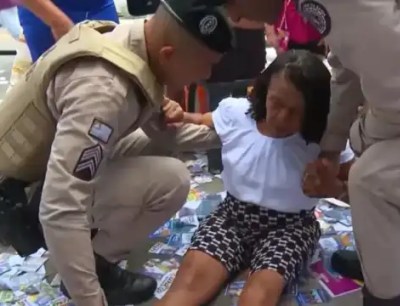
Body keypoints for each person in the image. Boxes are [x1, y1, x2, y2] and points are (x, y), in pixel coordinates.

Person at [194, 0, 400, 305]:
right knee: (387, 153)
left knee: (376, 180)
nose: (236, 17)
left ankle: (385, 297)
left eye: (230, 3)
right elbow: (350, 66)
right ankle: (393, 266)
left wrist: (356, 139)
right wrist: (330, 149)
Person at [0, 0, 233, 305]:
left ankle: (91, 254)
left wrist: (238, 134)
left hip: (49, 162)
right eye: (205, 65)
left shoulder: (131, 43)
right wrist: (90, 298)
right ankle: (88, 267)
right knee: (172, 179)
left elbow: (166, 133)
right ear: (169, 55)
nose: (205, 75)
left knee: (160, 147)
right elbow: (60, 207)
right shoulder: (104, 90)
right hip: (20, 195)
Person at [155, 50, 355, 306]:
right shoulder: (237, 112)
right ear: (262, 91)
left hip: (291, 227)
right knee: (185, 291)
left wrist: (333, 187)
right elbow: (202, 120)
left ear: (314, 111)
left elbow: (358, 181)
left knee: (258, 297)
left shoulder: (325, 137)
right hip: (232, 217)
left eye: (295, 111)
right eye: (276, 103)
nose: (281, 118)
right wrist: (179, 114)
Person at [18, 0, 119, 61]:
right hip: (49, 9)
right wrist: (58, 22)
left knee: (112, 74)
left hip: (99, 5)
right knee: (57, 82)